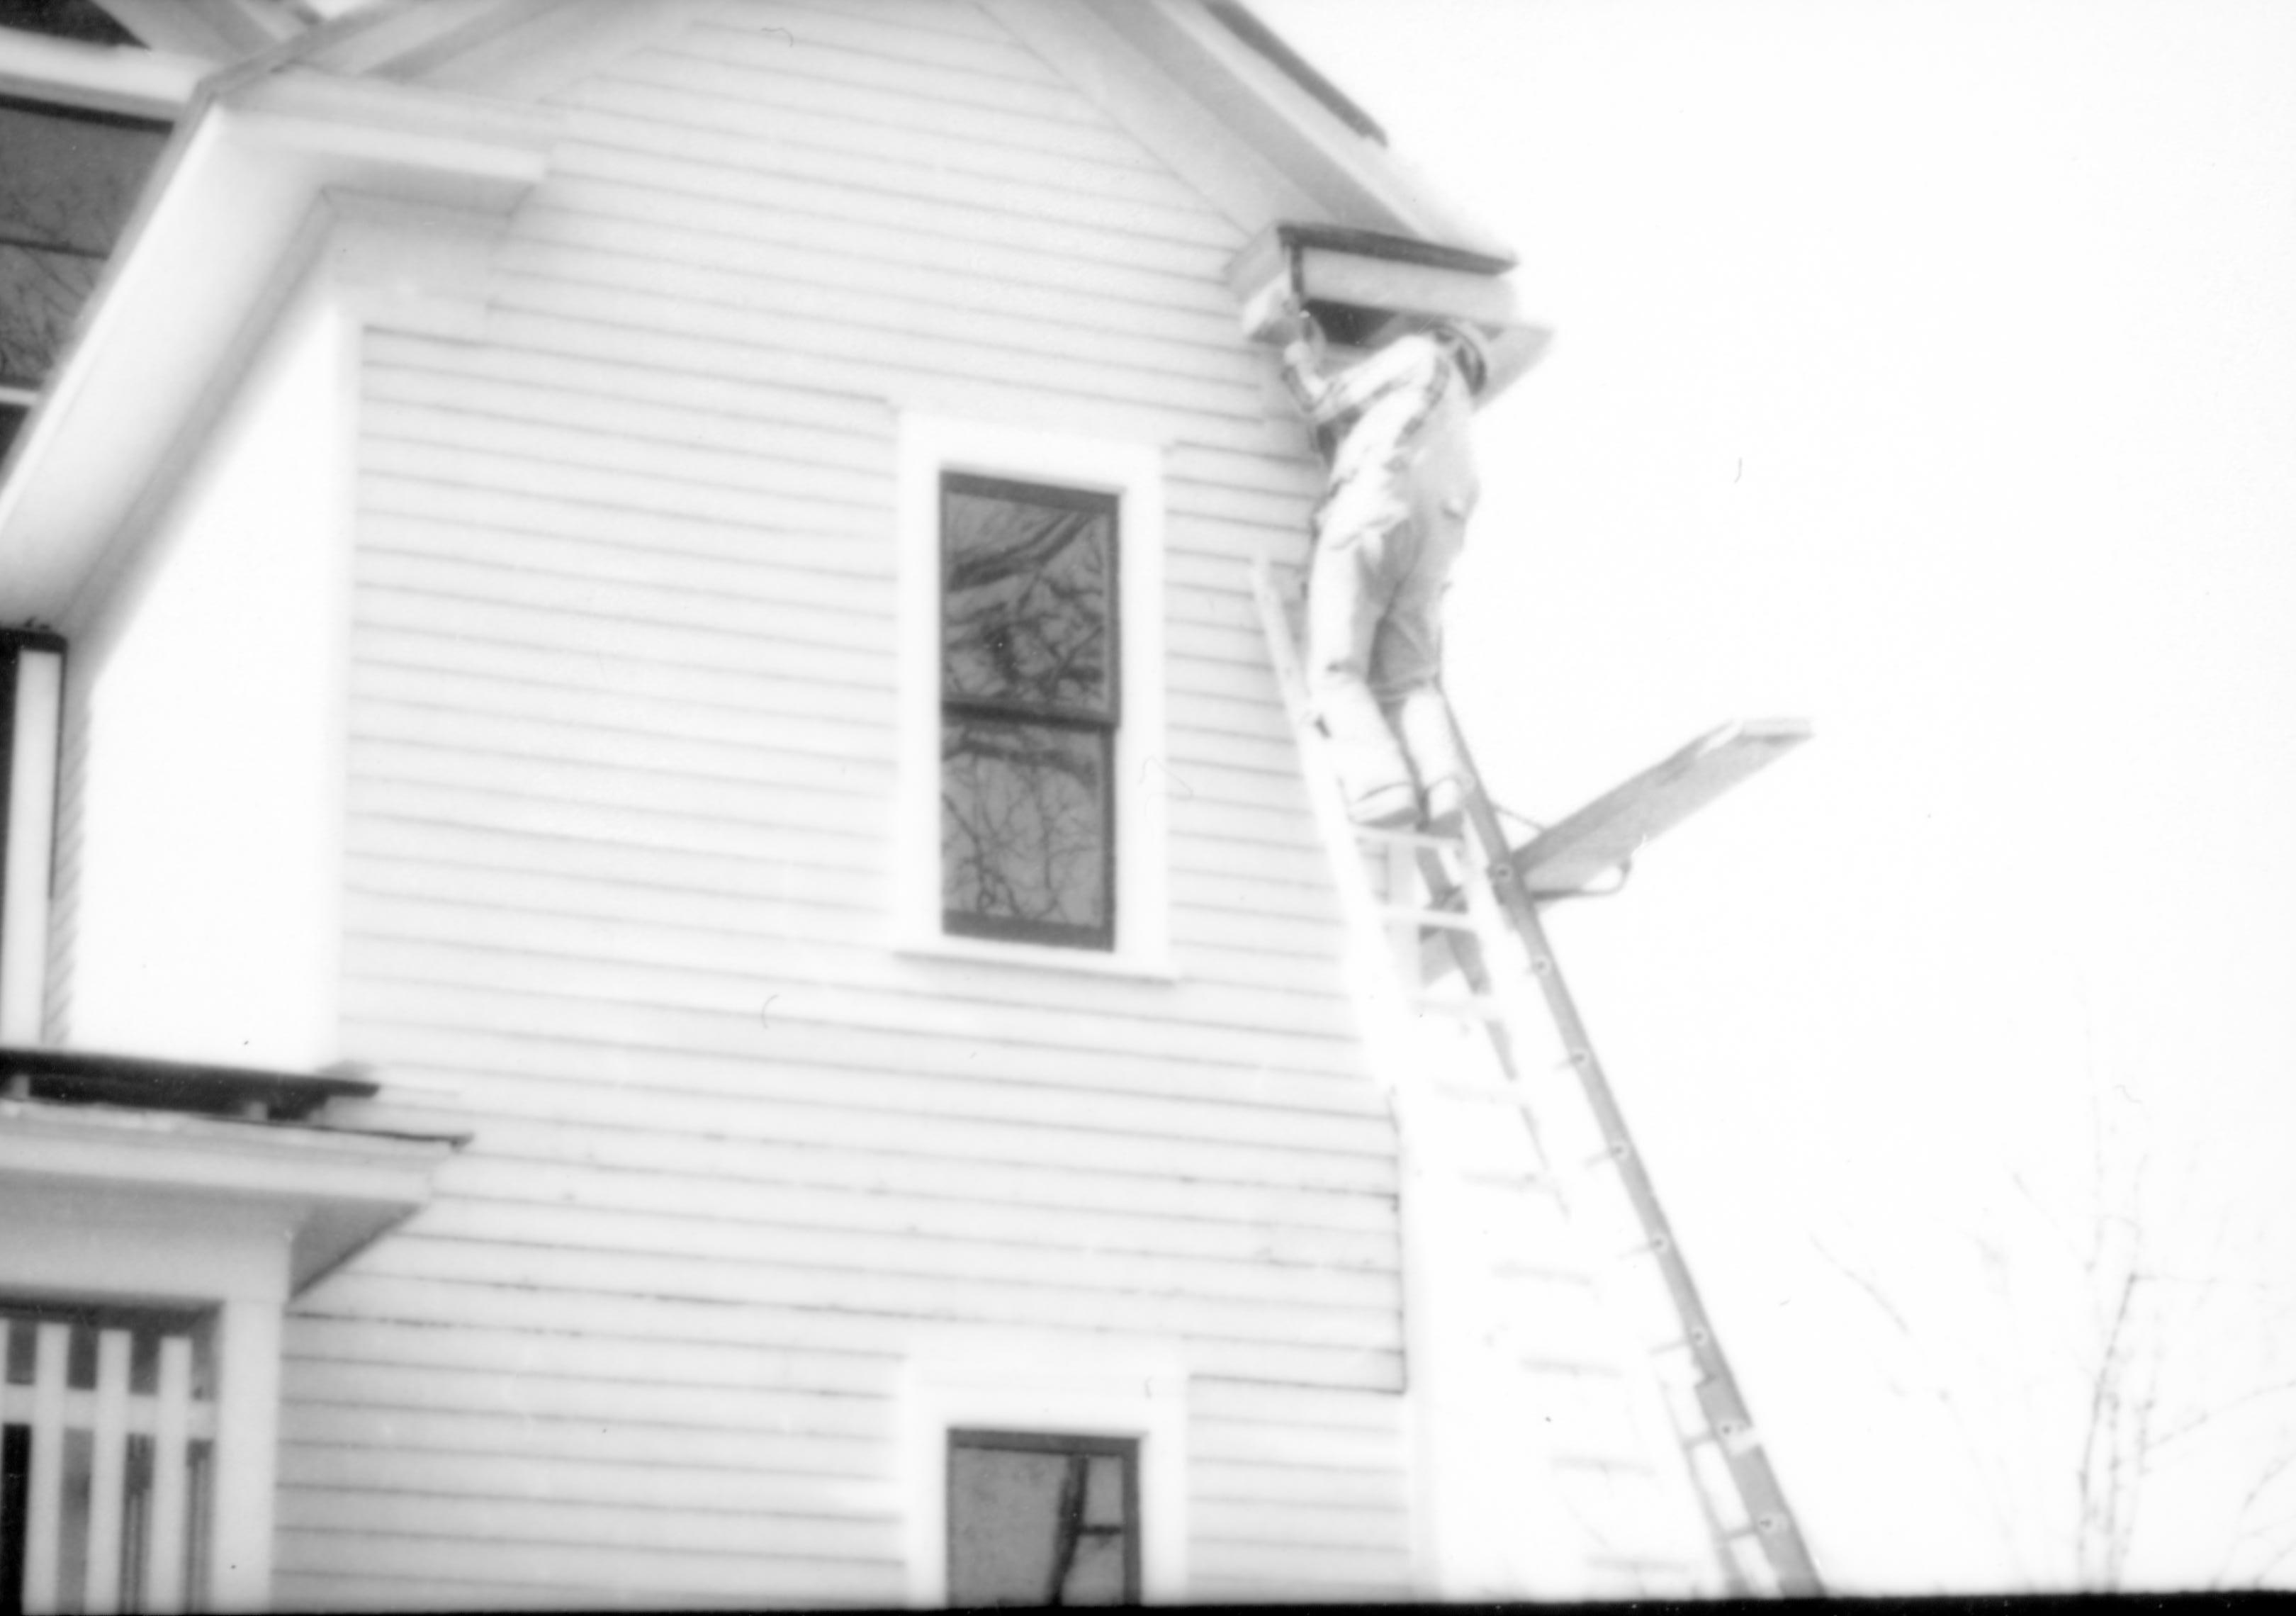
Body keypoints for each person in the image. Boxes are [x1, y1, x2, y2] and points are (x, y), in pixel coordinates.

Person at [1276, 304, 1492, 831]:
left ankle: (1381, 787)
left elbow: (1321, 403)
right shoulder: (1461, 442)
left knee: (1335, 667)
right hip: (1432, 544)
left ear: (1446, 339)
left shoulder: (1420, 356)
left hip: (1374, 516)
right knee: (1410, 679)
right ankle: (1443, 787)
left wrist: (1297, 353)